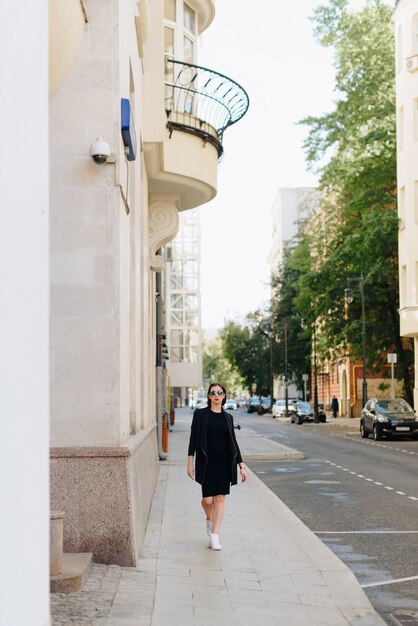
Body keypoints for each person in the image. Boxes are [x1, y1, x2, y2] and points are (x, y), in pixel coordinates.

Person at [187, 382, 246, 550]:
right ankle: (209, 518)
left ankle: (215, 536)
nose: (216, 395)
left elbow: (233, 442)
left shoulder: (228, 417)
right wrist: (190, 462)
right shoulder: (200, 415)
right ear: (209, 396)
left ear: (224, 396)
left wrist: (241, 465)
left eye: (220, 392)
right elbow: (193, 439)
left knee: (220, 498)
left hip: (224, 462)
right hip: (206, 463)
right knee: (207, 500)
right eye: (213, 393)